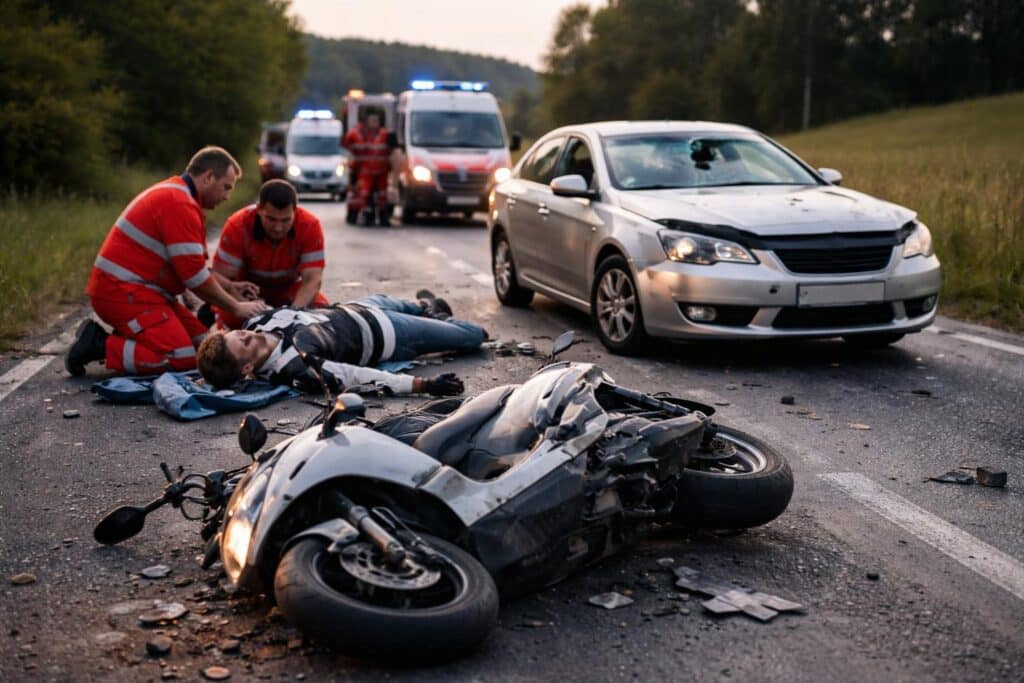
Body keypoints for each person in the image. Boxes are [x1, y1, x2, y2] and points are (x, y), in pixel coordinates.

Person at [66, 146, 268, 377]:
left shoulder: (180, 198)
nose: (227, 196)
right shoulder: (179, 204)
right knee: (180, 358)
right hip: (123, 293)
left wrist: (230, 286)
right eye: (226, 187)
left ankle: (133, 339)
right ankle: (99, 345)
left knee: (204, 346)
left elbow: (194, 267)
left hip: (143, 294)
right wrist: (236, 307)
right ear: (209, 176)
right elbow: (196, 279)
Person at [196, 292, 485, 396]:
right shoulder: (297, 366)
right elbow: (354, 377)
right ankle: (432, 315)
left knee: (413, 305)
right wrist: (422, 385)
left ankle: (425, 307)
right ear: (247, 368)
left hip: (359, 305)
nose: (246, 334)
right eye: (243, 343)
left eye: (236, 334)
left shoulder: (254, 323)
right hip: (388, 332)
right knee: (475, 336)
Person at [209, 179, 329, 329]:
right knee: (230, 315)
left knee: (320, 312)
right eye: (271, 219)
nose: (278, 228)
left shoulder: (310, 226)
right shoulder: (237, 226)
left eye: (286, 220)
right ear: (259, 209)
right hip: (246, 292)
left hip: (288, 289)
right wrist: (247, 308)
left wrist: (292, 315)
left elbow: (312, 281)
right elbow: (221, 278)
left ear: (295, 211)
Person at [342, 112, 390, 225]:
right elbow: (346, 147)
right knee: (361, 194)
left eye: (377, 121)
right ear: (366, 123)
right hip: (363, 171)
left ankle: (382, 216)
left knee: (382, 195)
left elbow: (390, 151)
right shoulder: (355, 134)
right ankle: (359, 214)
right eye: (373, 121)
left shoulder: (385, 134)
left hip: (381, 172)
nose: (375, 124)